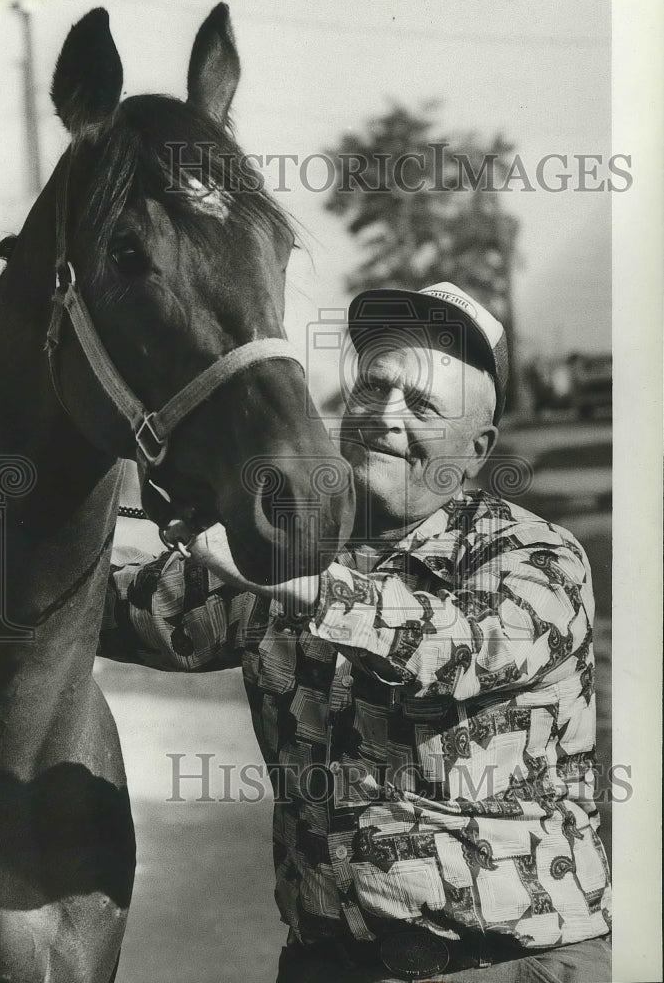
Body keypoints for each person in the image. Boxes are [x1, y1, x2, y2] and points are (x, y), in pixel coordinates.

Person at [100, 283, 612, 982]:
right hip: (325, 963)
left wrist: (288, 580)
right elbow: (111, 615)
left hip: (507, 964)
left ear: (476, 447)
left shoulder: (533, 557)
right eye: (374, 387)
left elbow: (455, 649)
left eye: (423, 405)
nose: (384, 417)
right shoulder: (292, 551)